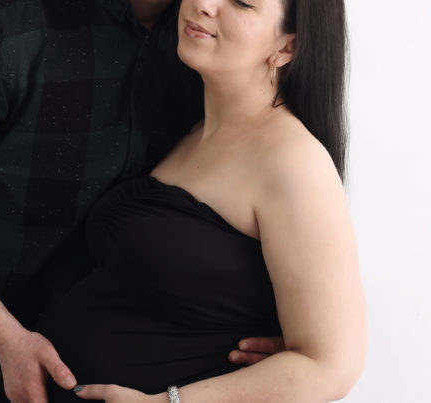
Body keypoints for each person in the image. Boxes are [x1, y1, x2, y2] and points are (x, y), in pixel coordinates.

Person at [0, 0, 286, 402]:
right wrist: (7, 338)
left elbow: (267, 185)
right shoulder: (7, 28)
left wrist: (288, 339)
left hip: (178, 386)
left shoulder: (211, 31)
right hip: (6, 379)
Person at [33, 0, 368, 401]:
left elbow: (331, 365)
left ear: (286, 47)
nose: (204, 3)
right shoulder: (187, 126)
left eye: (242, 2)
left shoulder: (293, 161)